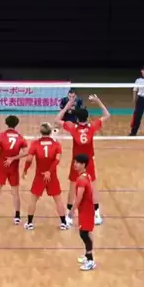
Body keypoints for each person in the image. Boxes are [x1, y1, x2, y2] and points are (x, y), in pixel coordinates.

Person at [56, 94, 109, 226]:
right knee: (92, 187)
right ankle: (96, 214)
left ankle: (69, 215)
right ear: (87, 117)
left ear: (77, 118)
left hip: (76, 162)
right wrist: (98, 101)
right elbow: (107, 115)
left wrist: (67, 106)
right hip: (89, 161)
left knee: (72, 187)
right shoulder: (92, 126)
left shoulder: (72, 127)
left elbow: (57, 119)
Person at [7, 123, 67, 231]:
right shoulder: (56, 144)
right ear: (50, 132)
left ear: (41, 132)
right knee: (58, 200)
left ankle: (30, 223)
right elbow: (57, 160)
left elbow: (29, 159)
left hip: (39, 176)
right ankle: (63, 223)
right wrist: (49, 172)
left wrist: (25, 170)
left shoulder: (35, 144)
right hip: (52, 176)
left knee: (33, 200)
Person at [0, 115, 28, 225]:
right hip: (13, 168)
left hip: (2, 167)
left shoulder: (1, 136)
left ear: (6, 123)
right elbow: (26, 152)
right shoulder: (20, 137)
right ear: (16, 124)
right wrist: (14, 158)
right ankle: (17, 217)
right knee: (15, 193)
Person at [73, 154, 97, 271]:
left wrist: (71, 211)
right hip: (86, 209)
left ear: (83, 165)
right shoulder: (86, 175)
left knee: (84, 234)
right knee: (86, 233)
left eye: (78, 163)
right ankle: (87, 255)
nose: (75, 164)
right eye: (75, 162)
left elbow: (79, 197)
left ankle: (90, 260)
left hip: (86, 211)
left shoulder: (81, 180)